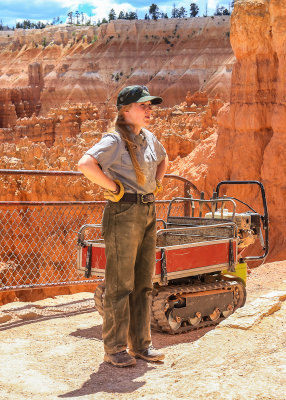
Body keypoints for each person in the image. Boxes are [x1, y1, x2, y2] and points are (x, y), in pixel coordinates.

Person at [78, 85, 168, 368]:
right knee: (120, 285)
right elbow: (85, 164)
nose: (148, 109)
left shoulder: (150, 138)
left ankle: (141, 345)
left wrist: (157, 184)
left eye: (150, 105)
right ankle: (114, 348)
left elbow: (164, 160)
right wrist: (114, 188)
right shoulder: (115, 139)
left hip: (148, 209)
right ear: (125, 111)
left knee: (143, 283)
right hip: (124, 211)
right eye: (143, 105)